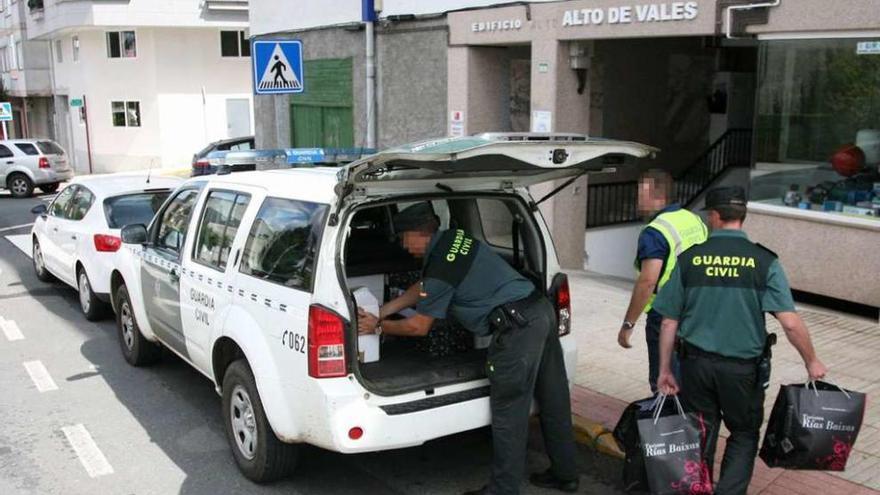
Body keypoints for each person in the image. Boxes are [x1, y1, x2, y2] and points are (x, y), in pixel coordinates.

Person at [357, 202, 578, 495]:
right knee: (554, 396)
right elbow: (425, 287)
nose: (403, 245)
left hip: (517, 329)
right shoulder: (455, 239)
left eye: (403, 238)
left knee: (509, 411)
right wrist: (384, 310)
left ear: (416, 233)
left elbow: (419, 326)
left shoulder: (438, 264)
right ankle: (567, 475)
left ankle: (503, 490)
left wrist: (378, 327)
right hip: (540, 310)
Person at [653, 186, 828, 495]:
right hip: (743, 372)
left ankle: (696, 488)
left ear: (715, 216)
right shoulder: (764, 261)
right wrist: (811, 360)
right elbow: (789, 322)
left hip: (696, 366)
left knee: (700, 431)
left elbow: (668, 321)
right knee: (744, 434)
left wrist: (664, 369)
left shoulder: (689, 259)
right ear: (742, 216)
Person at [617, 169, 707, 393]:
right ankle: (691, 423)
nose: (637, 199)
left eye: (641, 193)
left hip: (665, 314)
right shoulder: (694, 220)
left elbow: (648, 281)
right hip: (696, 310)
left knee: (665, 383)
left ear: (656, 195)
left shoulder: (655, 231)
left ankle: (669, 425)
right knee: (689, 379)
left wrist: (628, 324)